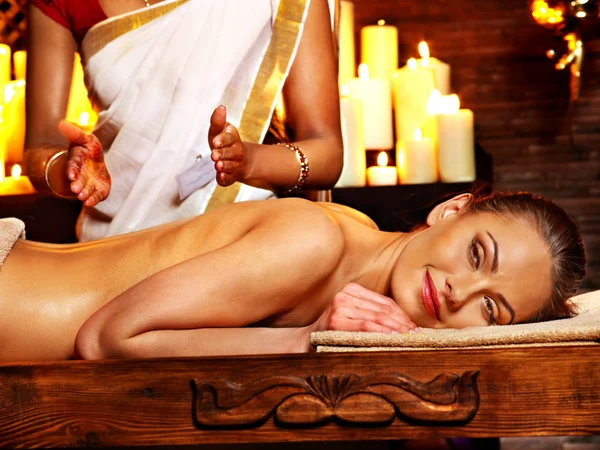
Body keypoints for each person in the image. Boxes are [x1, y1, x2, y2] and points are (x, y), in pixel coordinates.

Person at [0, 189, 586, 362]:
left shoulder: (356, 243)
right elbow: (106, 338)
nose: (462, 290)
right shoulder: (318, 240)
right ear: (451, 211)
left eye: (491, 310)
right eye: (478, 255)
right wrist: (314, 338)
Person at [25, 0, 343, 241]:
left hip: (240, 234)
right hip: (117, 241)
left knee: (315, 240)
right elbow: (39, 144)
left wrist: (248, 161)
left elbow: (327, 153)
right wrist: (65, 168)